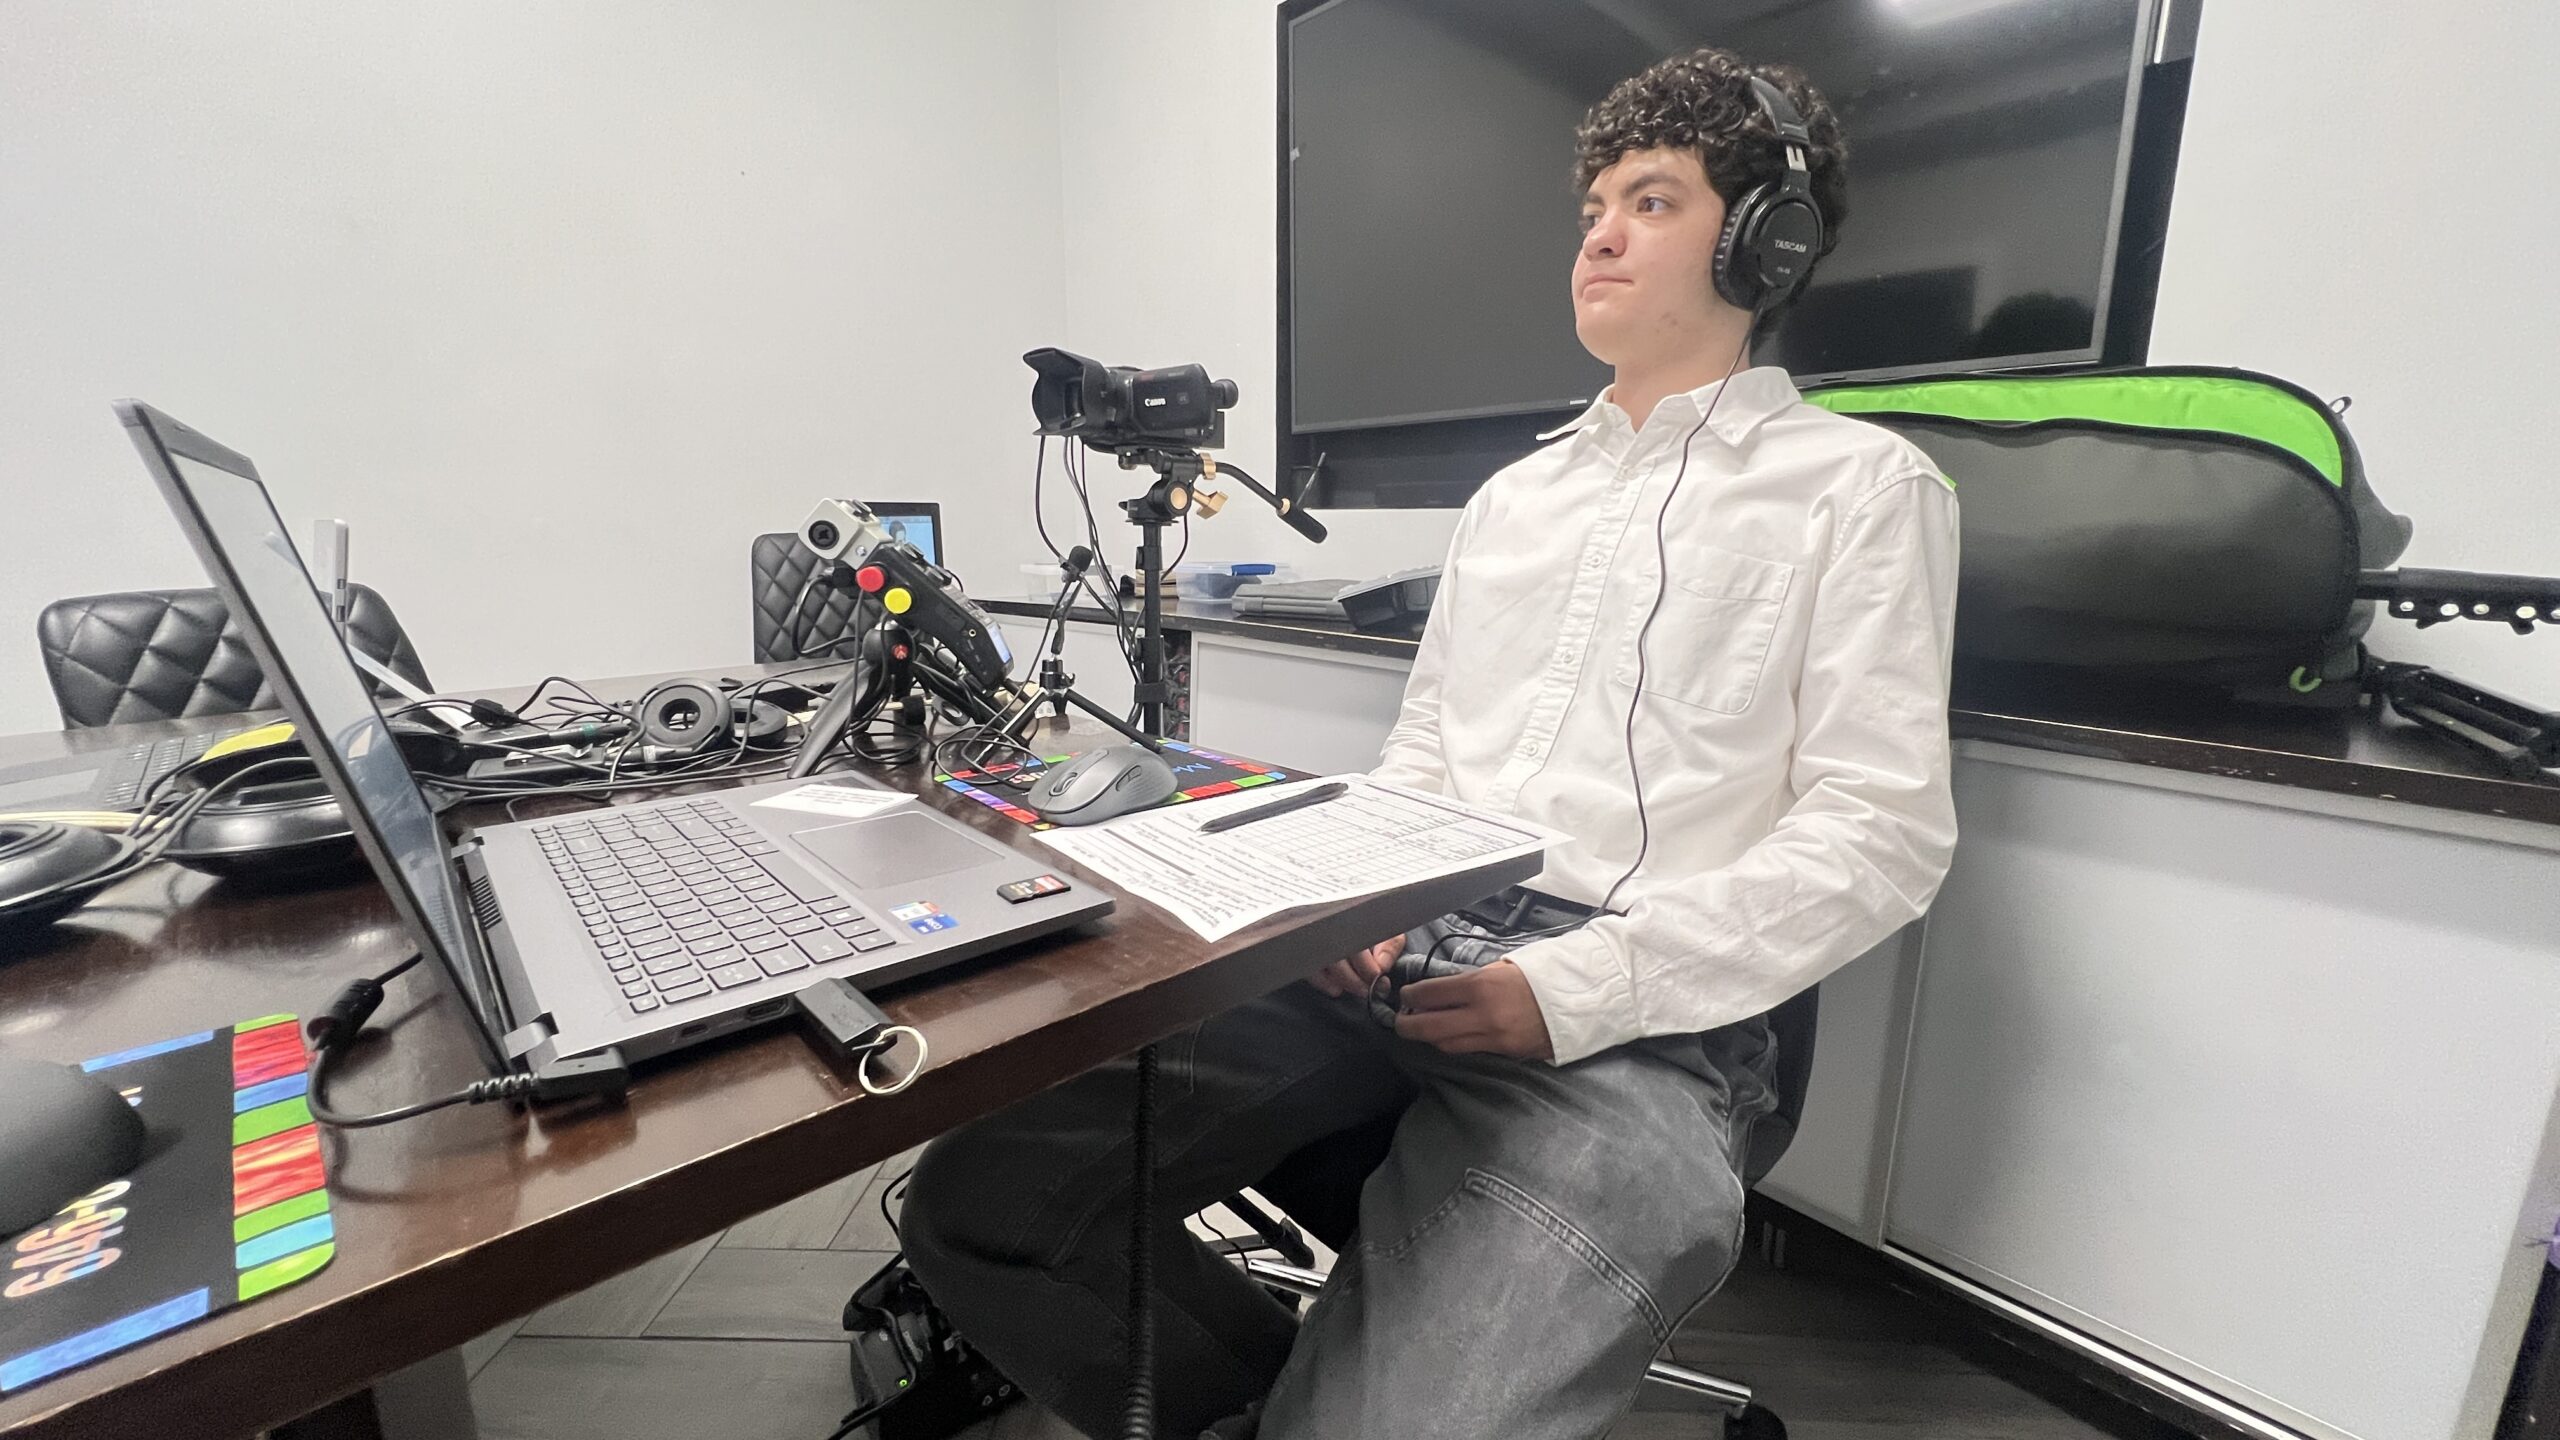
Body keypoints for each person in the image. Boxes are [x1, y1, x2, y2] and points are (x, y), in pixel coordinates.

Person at [902, 45, 1960, 1439]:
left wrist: (1581, 986)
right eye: (1595, 203)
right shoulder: (1511, 502)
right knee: (981, 1206)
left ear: (1770, 239)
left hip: (1639, 1033)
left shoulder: (1864, 490)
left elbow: (1881, 837)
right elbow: (1423, 763)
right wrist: (1356, 891)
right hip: (1392, 959)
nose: (1600, 231)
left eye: (1652, 200)